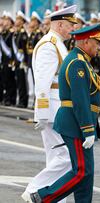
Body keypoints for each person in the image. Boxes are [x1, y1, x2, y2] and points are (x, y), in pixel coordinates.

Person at [30, 23, 100, 203]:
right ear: (86, 42)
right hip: (76, 124)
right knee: (80, 171)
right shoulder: (77, 63)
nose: (99, 47)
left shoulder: (81, 60)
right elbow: (80, 100)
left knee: (87, 173)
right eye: (97, 43)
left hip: (80, 122)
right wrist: (87, 130)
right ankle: (44, 196)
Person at [21, 5, 77, 203]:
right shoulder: (49, 45)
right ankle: (34, 190)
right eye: (70, 24)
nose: (73, 28)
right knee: (66, 157)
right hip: (53, 109)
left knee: (57, 156)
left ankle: (53, 197)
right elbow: (43, 82)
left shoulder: (57, 43)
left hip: (58, 107)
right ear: (60, 24)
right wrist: (42, 113)